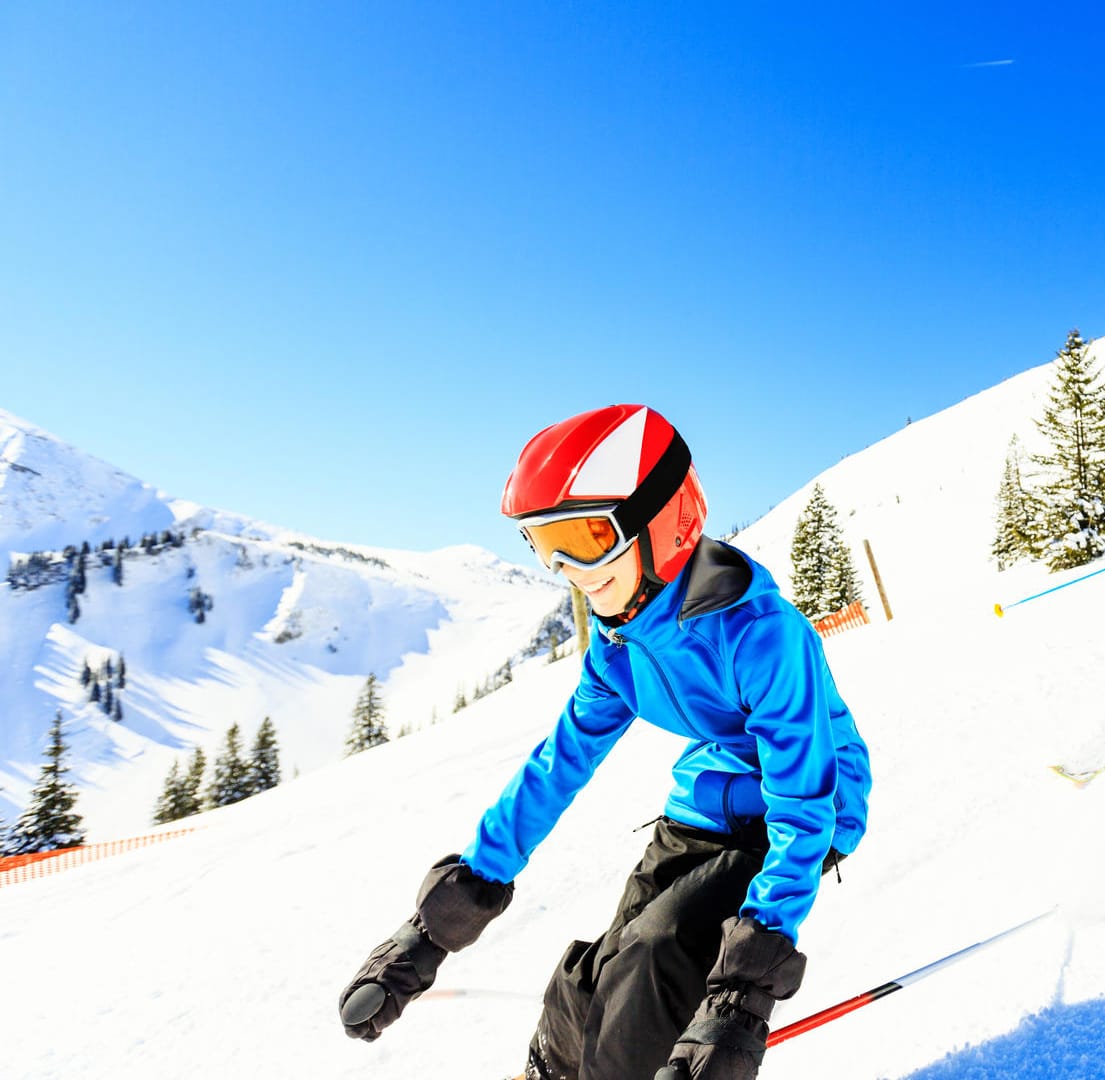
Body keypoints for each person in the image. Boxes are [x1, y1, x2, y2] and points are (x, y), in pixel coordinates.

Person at [337, 404, 872, 1080]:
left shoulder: (763, 637)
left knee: (656, 957)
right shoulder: (618, 645)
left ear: (665, 520)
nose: (568, 568)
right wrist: (435, 925)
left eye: (585, 539)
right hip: (706, 798)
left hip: (804, 807)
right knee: (595, 976)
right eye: (542, 542)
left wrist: (743, 992)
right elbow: (557, 767)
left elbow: (802, 805)